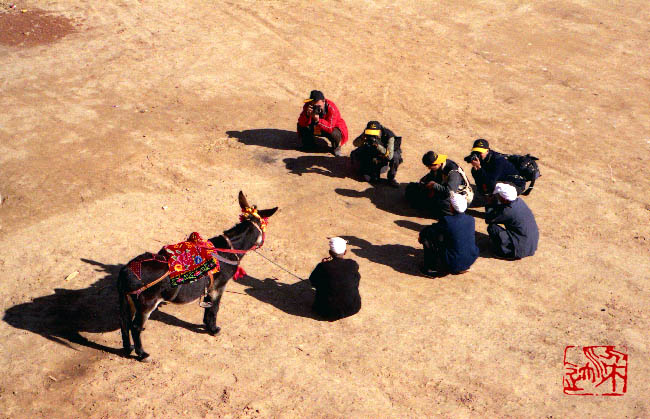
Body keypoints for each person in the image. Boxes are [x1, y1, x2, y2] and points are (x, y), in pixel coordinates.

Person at [418, 193, 479, 277]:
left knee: (427, 238)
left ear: (451, 207)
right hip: (470, 259)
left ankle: (431, 269)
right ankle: (462, 266)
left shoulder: (447, 221)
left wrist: (421, 235)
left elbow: (431, 230)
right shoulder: (471, 219)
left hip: (453, 261)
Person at [405, 151, 473, 217]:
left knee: (440, 203)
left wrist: (434, 185)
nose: (428, 168)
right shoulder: (438, 167)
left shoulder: (453, 172)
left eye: (429, 167)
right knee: (412, 188)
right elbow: (428, 178)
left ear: (435, 164)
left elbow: (450, 192)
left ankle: (449, 216)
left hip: (460, 198)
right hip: (445, 190)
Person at [308, 237, 361, 320]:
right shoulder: (352, 264)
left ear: (330, 253)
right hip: (353, 308)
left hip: (326, 312)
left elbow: (313, 281)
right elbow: (357, 280)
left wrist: (323, 266)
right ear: (345, 252)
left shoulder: (322, 267)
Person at [485, 183, 539, 259]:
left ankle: (504, 252)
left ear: (504, 199)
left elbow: (489, 219)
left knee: (492, 228)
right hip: (530, 245)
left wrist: (489, 204)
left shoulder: (508, 211)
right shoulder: (520, 202)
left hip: (520, 249)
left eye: (498, 196)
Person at [465, 139, 526, 203]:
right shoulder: (484, 158)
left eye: (480, 153)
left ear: (487, 151)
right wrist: (476, 169)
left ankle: (497, 204)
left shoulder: (497, 161)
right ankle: (484, 195)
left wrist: (479, 168)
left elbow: (490, 182)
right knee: (475, 170)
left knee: (494, 186)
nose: (478, 155)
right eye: (476, 152)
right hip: (499, 179)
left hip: (515, 185)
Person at [350, 121, 402, 187]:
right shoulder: (367, 133)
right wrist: (363, 137)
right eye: (370, 133)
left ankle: (391, 178)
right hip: (375, 154)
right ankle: (373, 172)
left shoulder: (389, 136)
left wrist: (377, 146)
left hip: (387, 152)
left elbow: (389, 156)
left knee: (395, 157)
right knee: (366, 175)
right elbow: (355, 143)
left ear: (379, 131)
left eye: (374, 133)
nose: (372, 135)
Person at [297, 90, 348, 156]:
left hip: (329, 128)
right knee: (301, 127)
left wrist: (318, 120)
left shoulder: (331, 108)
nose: (316, 108)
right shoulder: (308, 106)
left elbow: (330, 127)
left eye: (318, 106)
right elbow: (301, 123)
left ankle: (336, 147)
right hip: (316, 127)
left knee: (335, 133)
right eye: (314, 105)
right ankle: (309, 144)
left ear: (324, 101)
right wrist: (306, 115)